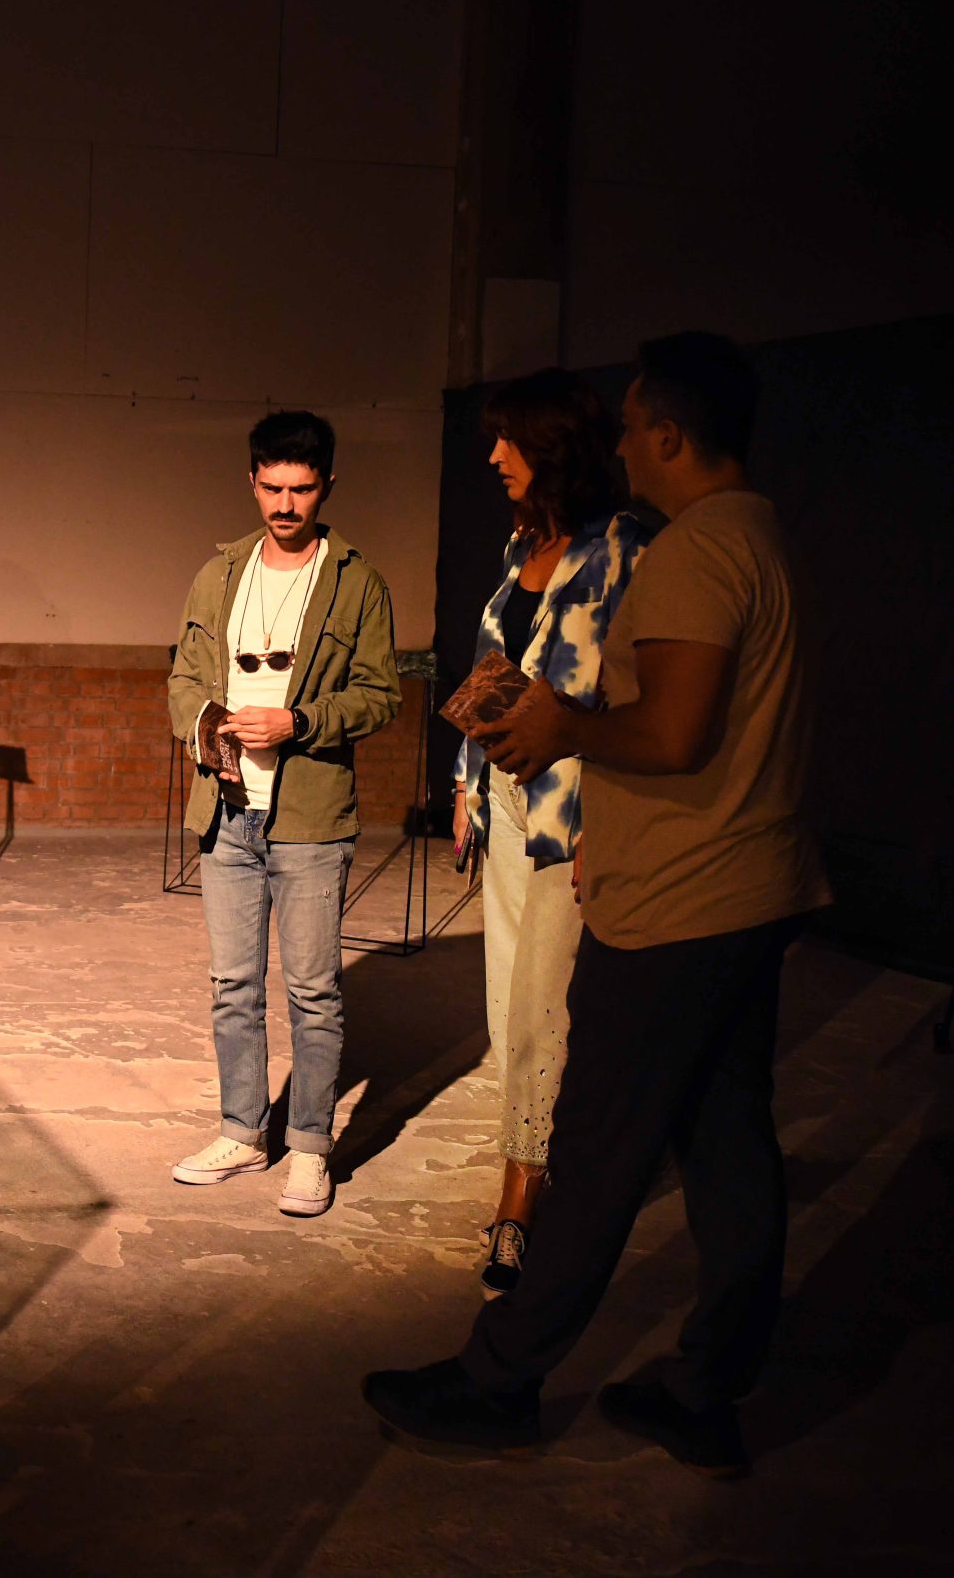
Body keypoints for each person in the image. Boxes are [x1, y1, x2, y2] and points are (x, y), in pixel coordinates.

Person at [363, 331, 829, 1478]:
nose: (621, 447)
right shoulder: (762, 536)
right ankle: (708, 1388)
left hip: (678, 897)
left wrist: (564, 726)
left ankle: (498, 1381)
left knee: (596, 1151)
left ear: (667, 434)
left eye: (631, 428)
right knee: (726, 1146)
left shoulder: (689, 552)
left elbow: (671, 733)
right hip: (748, 886)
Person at [165, 410, 400, 1219]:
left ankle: (309, 1147)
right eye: (271, 487)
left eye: (301, 489)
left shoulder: (357, 581)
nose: (285, 504)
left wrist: (297, 722)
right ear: (252, 480)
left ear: (326, 485)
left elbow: (381, 695)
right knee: (233, 985)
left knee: (312, 991)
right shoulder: (219, 573)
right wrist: (207, 729)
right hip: (227, 811)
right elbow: (183, 677)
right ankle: (242, 1131)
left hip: (309, 818)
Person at [448, 370, 645, 1298]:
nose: (494, 455)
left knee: (543, 1005)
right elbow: (493, 665)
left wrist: (615, 818)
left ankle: (521, 1201)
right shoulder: (521, 543)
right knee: (505, 1004)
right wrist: (465, 780)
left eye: (511, 439)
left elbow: (633, 694)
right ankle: (533, 1161)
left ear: (553, 446)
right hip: (504, 794)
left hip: (574, 805)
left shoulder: (625, 549)